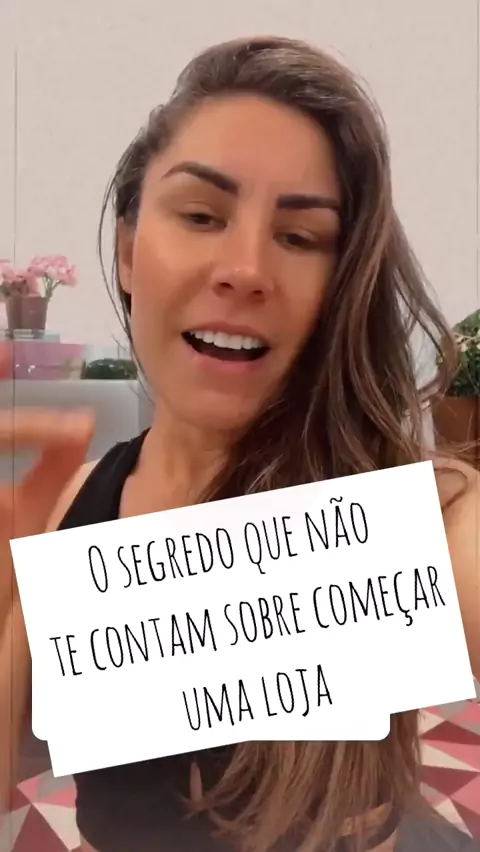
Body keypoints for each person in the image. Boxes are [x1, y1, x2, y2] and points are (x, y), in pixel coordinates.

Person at [0, 35, 479, 852]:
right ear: (127, 251)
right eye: (201, 216)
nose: (246, 268)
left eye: (300, 237)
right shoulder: (63, 509)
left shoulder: (426, 522)